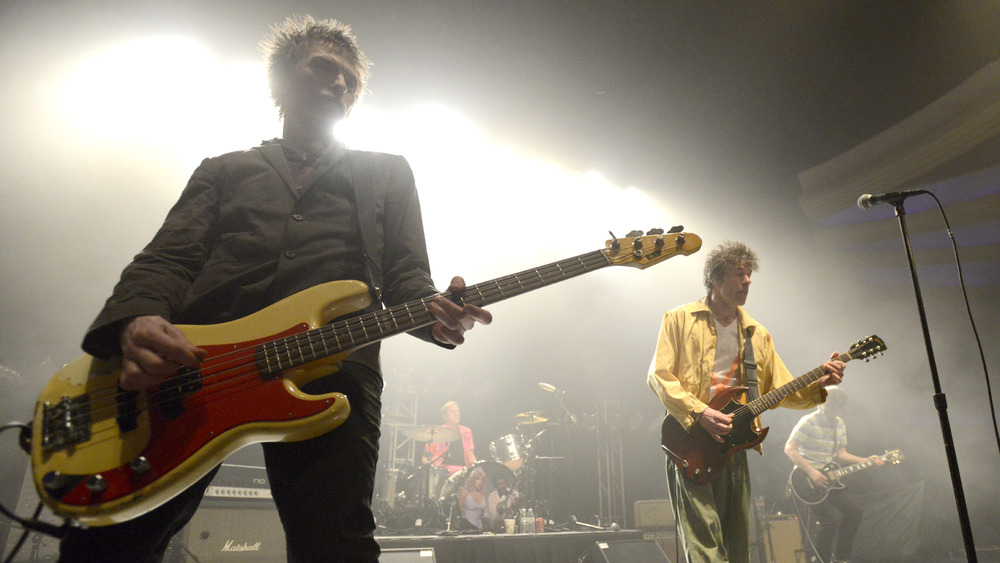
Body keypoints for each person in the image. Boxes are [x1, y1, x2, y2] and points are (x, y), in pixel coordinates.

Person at [56, 15, 491, 563]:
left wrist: (434, 316)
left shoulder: (385, 173)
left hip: (333, 364)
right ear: (282, 81)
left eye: (351, 81)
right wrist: (136, 320)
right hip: (197, 369)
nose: (340, 84)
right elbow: (169, 257)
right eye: (325, 69)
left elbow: (407, 276)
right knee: (113, 542)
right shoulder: (224, 170)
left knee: (335, 545)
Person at [646, 241, 844, 563]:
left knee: (737, 540)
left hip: (734, 444)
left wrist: (818, 387)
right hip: (690, 441)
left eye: (749, 274)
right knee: (704, 541)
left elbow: (779, 388)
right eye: (739, 274)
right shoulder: (679, 319)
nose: (747, 281)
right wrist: (701, 413)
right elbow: (659, 376)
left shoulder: (757, 333)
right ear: (715, 279)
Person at [785, 386, 883, 563]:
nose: (845, 409)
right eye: (841, 405)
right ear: (828, 405)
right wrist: (812, 472)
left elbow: (840, 454)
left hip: (830, 477)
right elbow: (790, 449)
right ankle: (821, 560)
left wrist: (866, 461)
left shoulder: (839, 424)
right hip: (807, 480)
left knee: (855, 511)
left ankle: (841, 558)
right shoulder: (808, 421)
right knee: (829, 522)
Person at [422, 400, 477, 475]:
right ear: (445, 416)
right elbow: (425, 458)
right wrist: (431, 471)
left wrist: (477, 468)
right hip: (442, 472)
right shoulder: (437, 432)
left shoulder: (467, 432)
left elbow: (471, 456)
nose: (456, 414)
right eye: (452, 412)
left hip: (463, 472)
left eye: (458, 411)